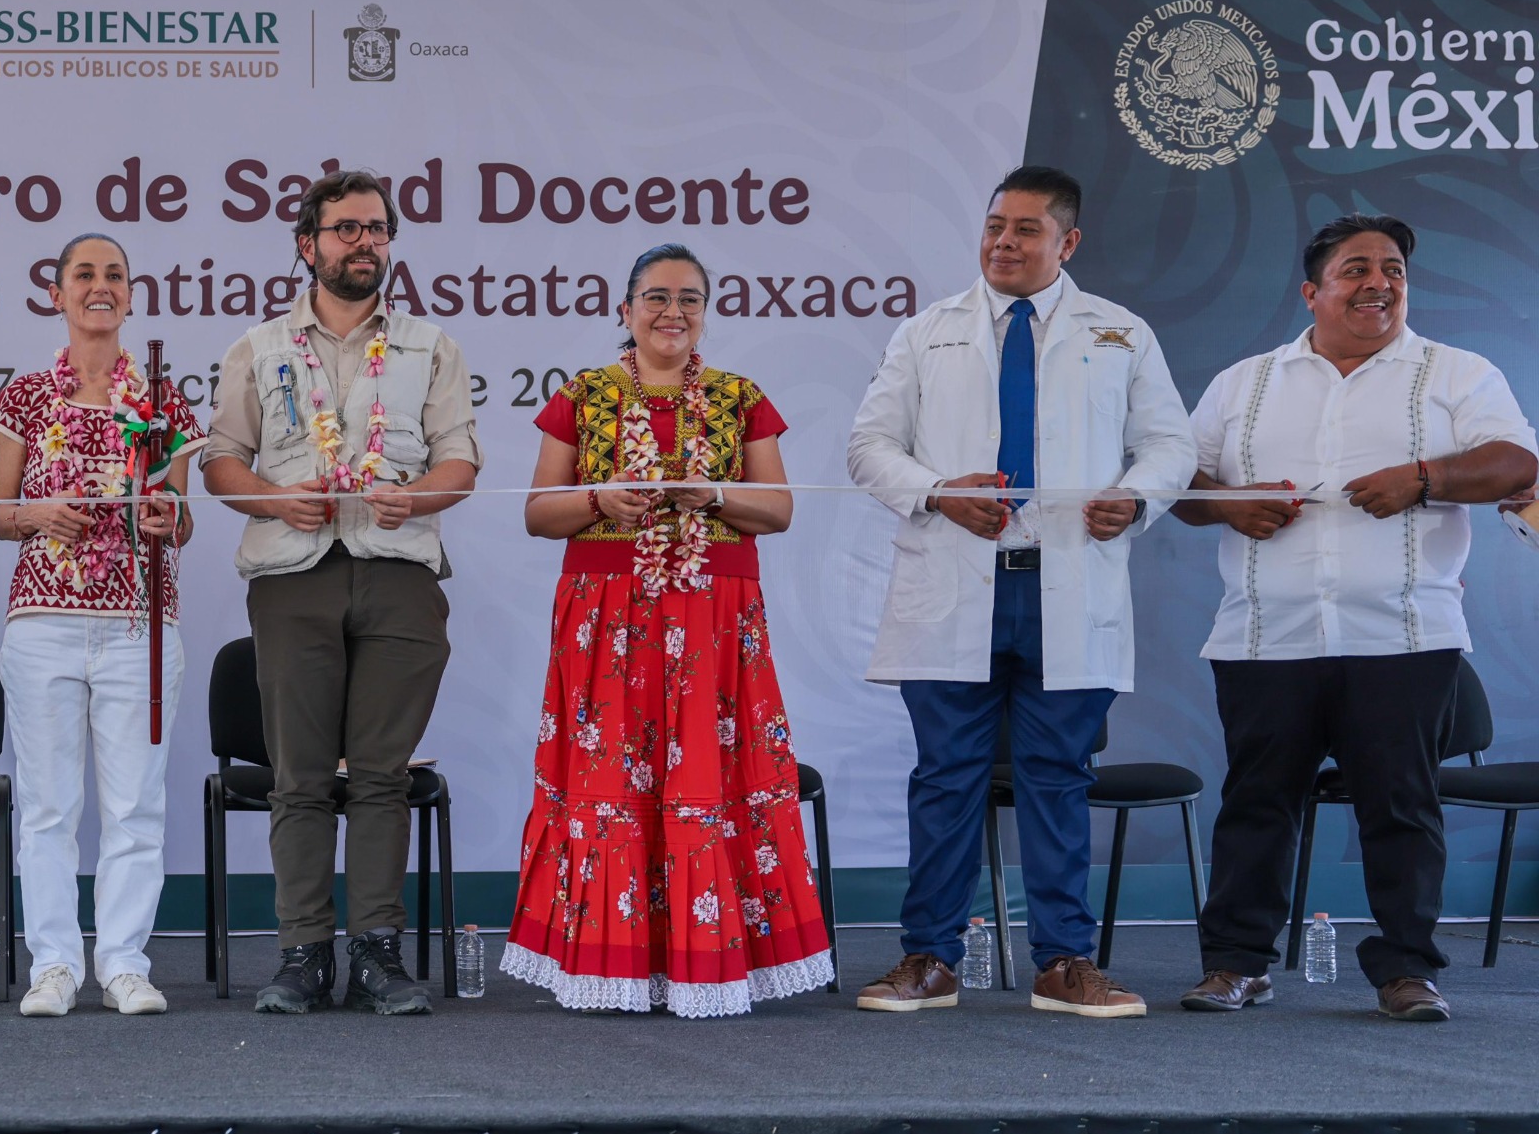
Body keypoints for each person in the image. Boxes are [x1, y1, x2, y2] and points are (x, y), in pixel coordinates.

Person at [845, 165, 1195, 1017]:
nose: (1004, 241)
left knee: (1058, 775)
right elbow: (868, 446)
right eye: (995, 225)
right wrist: (935, 490)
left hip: (1066, 585)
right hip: (957, 581)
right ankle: (928, 958)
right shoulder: (928, 330)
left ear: (1067, 242)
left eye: (1026, 230)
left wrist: (1139, 497)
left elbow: (1170, 445)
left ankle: (1065, 961)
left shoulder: (1121, 332)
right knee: (946, 778)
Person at [1173, 215, 1536, 1023]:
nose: (1380, 282)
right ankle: (1236, 964)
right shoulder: (1245, 382)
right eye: (1356, 269)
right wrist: (1229, 503)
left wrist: (1424, 475)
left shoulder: (1455, 373)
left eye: (1394, 269)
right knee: (1257, 802)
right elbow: (1182, 482)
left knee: (1402, 807)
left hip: (1403, 635)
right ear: (1313, 290)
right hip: (1266, 634)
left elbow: (1517, 462)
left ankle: (1407, 970)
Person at [502, 246, 833, 1015]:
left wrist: (713, 495)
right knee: (611, 779)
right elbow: (536, 512)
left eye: (689, 298)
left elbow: (777, 509)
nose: (671, 311)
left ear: (705, 313)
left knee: (709, 779)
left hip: (715, 618)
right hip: (606, 615)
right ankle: (611, 963)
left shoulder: (739, 397)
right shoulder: (582, 396)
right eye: (655, 296)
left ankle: (710, 962)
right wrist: (599, 502)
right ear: (625, 310)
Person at [203, 169, 482, 1015]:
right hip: (293, 576)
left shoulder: (430, 345)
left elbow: (459, 462)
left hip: (399, 572)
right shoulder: (257, 347)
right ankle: (301, 955)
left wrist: (418, 496)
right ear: (307, 245)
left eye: (377, 230)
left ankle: (376, 953)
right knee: (298, 776)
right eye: (347, 229)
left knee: (381, 775)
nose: (366, 242)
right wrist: (271, 497)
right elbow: (221, 461)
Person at [0, 234, 204, 1017]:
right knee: (47, 805)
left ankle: (123, 962)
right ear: (58, 294)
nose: (100, 286)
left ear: (131, 295)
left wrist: (163, 514)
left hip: (140, 624)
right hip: (43, 621)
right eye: (85, 274)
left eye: (114, 275)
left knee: (135, 804)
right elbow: (1, 513)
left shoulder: (162, 399)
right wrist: (40, 513)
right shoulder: (26, 395)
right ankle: (53, 964)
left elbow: (180, 521)